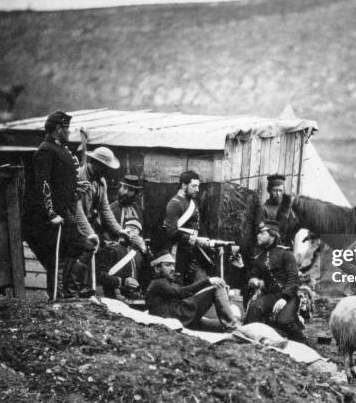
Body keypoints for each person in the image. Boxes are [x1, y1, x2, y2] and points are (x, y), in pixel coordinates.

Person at [22, 110, 96, 299]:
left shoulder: (60, 149)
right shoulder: (46, 150)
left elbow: (59, 180)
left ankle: (66, 293)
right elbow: (44, 184)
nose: (69, 132)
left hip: (65, 213)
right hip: (54, 217)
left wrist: (76, 185)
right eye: (66, 128)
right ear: (58, 129)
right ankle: (62, 295)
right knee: (61, 256)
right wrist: (51, 213)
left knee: (76, 250)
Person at [71, 147, 138, 295]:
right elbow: (77, 210)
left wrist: (119, 230)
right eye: (105, 167)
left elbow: (105, 209)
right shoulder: (79, 177)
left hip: (87, 223)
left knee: (97, 252)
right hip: (73, 222)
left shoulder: (101, 182)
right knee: (86, 248)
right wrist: (90, 233)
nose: (107, 171)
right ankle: (73, 289)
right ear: (95, 163)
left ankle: (85, 288)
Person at [145, 250, 240, 331]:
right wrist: (208, 281)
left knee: (219, 326)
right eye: (168, 265)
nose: (173, 268)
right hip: (180, 317)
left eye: (173, 265)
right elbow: (181, 293)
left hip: (183, 318)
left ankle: (234, 325)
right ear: (157, 268)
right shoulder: (158, 283)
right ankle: (233, 326)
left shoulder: (163, 283)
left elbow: (181, 292)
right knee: (217, 287)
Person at [244, 220, 306, 342]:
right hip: (272, 296)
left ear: (272, 235)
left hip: (290, 296)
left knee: (284, 321)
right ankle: (253, 342)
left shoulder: (285, 253)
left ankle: (305, 346)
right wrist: (254, 280)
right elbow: (252, 277)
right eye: (258, 233)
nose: (258, 236)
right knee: (254, 307)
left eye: (262, 233)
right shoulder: (259, 258)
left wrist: (285, 298)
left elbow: (293, 278)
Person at [161, 170, 212, 285]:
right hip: (178, 251)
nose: (197, 190)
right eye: (194, 186)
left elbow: (198, 226)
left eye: (198, 186)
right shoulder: (174, 204)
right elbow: (171, 232)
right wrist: (196, 239)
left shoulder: (193, 202)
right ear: (184, 185)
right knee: (177, 283)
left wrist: (206, 239)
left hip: (192, 251)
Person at [256, 174, 298, 247]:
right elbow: (261, 232)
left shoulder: (288, 208)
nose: (278, 194)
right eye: (275, 190)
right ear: (269, 190)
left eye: (280, 190)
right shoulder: (264, 209)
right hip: (271, 248)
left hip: (288, 247)